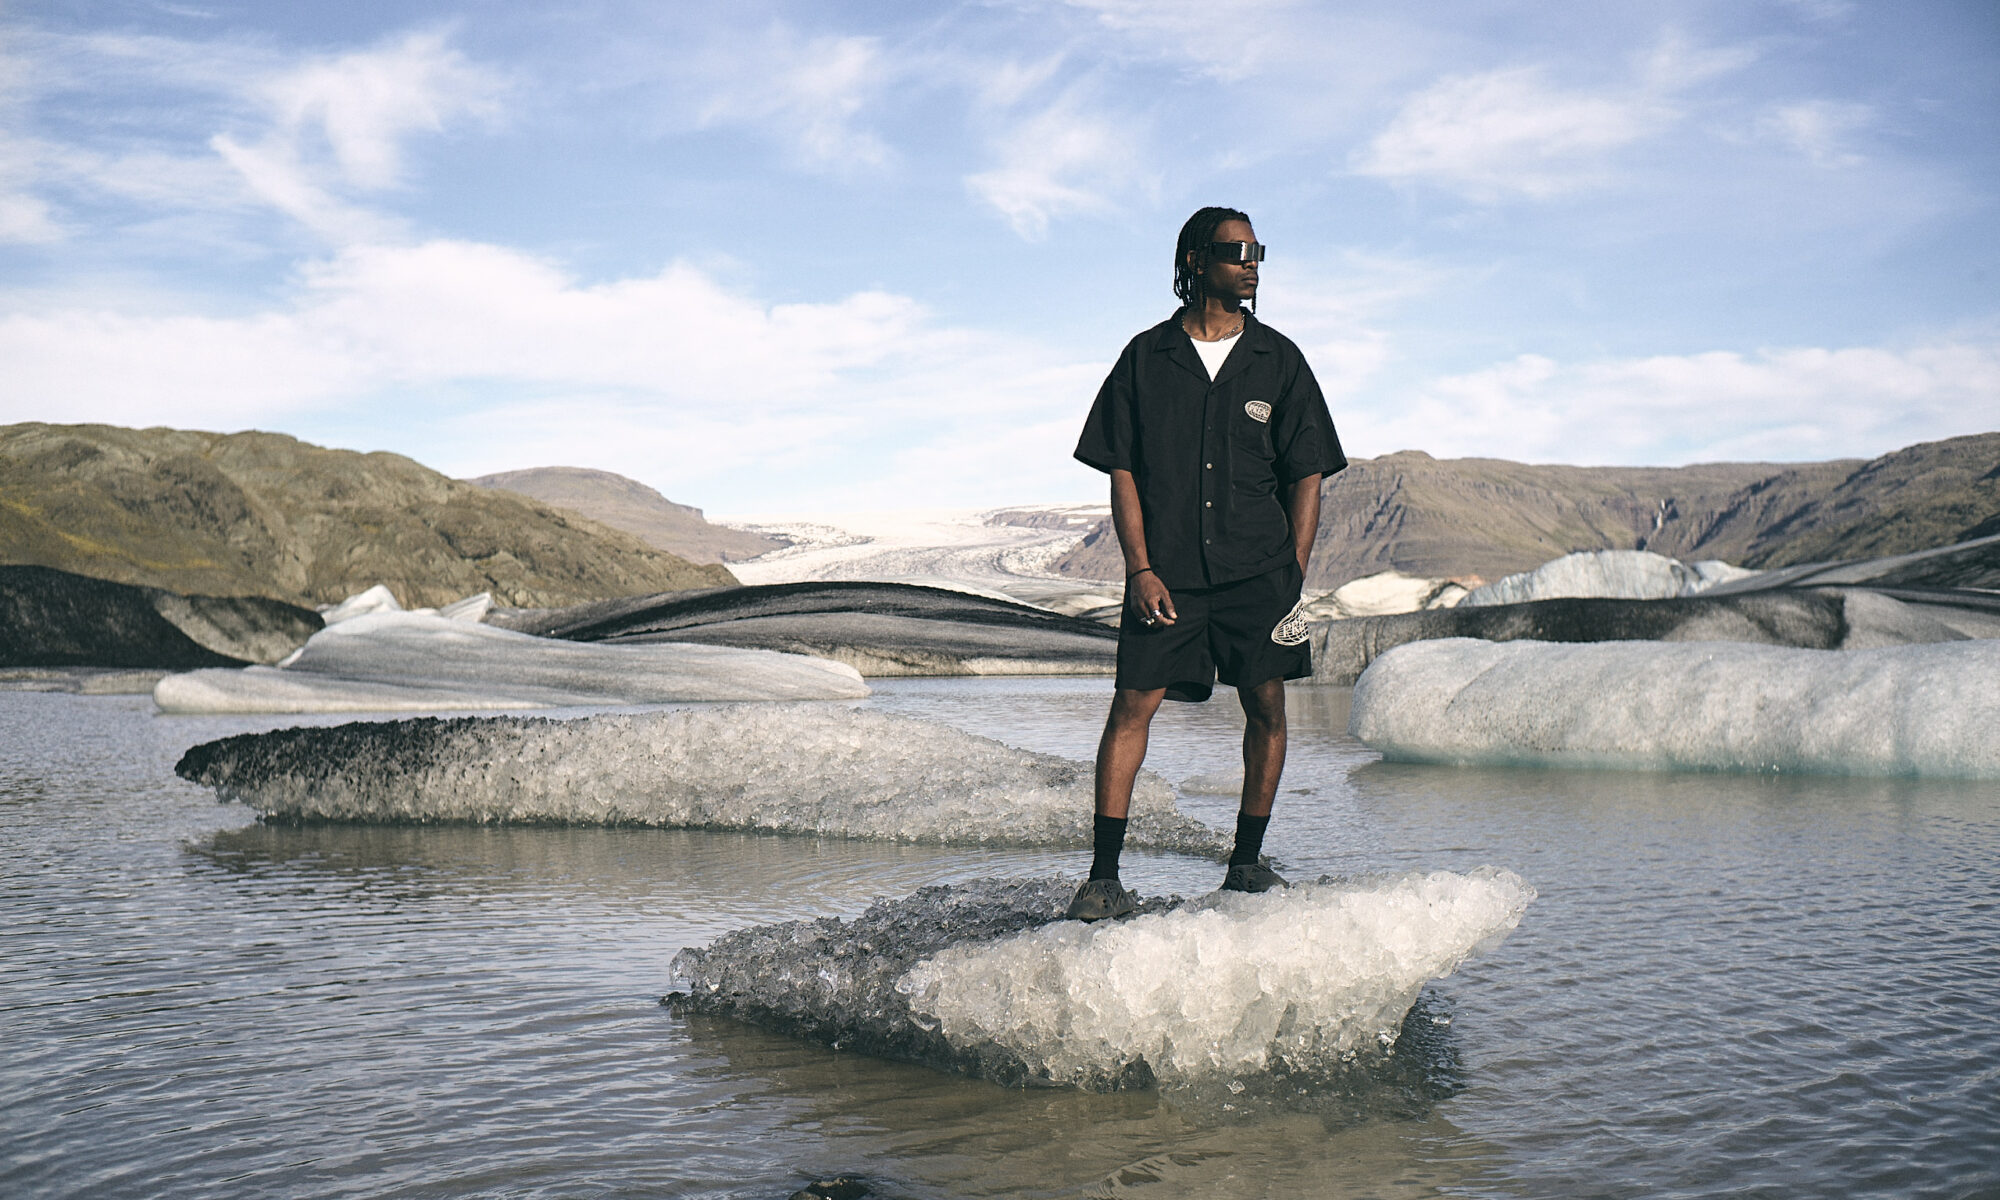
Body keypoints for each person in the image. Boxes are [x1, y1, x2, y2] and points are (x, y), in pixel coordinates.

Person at [1066, 206, 1347, 921]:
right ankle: (1103, 878)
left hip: (1260, 574)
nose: (1251, 264)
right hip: (1170, 576)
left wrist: (1292, 570)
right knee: (1132, 706)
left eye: (1257, 252)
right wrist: (1139, 569)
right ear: (1195, 260)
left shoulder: (1279, 359)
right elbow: (1122, 469)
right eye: (1235, 251)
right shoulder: (1146, 357)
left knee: (1268, 707)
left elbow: (1308, 471)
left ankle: (1246, 865)